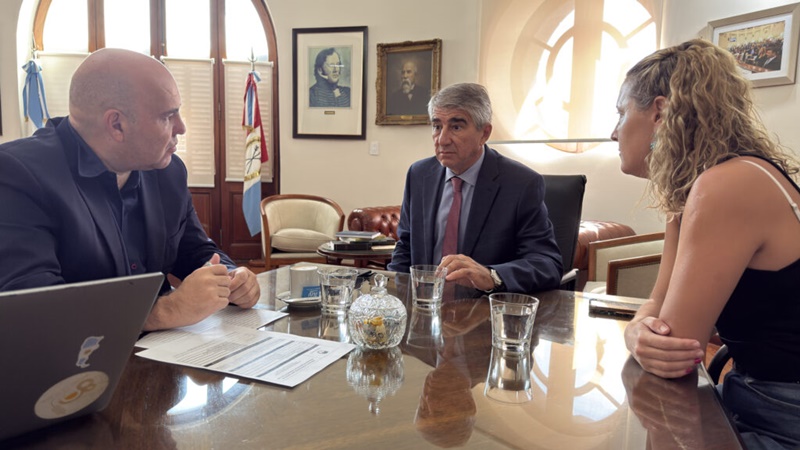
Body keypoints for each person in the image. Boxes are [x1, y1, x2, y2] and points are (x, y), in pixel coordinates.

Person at [614, 39, 800, 449]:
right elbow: (656, 307)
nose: (614, 132)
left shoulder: (729, 184)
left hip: (783, 417)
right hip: (749, 394)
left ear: (659, 112)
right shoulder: (693, 190)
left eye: (621, 113)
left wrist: (645, 335)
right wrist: (636, 333)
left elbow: (676, 349)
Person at [0, 48, 260, 331]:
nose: (181, 128)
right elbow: (34, 310)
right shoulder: (18, 175)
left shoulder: (168, 172)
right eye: (168, 116)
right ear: (117, 124)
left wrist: (232, 277)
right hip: (80, 357)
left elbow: (196, 251)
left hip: (170, 352)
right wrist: (165, 311)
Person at [387, 82, 563, 294]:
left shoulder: (521, 183)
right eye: (437, 126)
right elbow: (405, 247)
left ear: (484, 133)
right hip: (424, 306)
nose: (442, 140)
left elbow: (547, 264)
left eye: (456, 127)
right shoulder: (419, 175)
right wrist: (391, 296)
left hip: (484, 309)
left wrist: (491, 276)